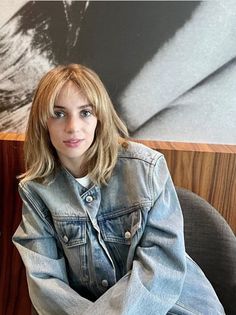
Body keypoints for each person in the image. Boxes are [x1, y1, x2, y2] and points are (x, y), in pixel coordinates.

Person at [13, 64, 225, 315]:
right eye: (58, 114)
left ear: (99, 117)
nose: (72, 127)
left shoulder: (146, 168)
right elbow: (45, 283)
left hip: (177, 308)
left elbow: (160, 268)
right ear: (42, 121)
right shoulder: (36, 190)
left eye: (85, 112)